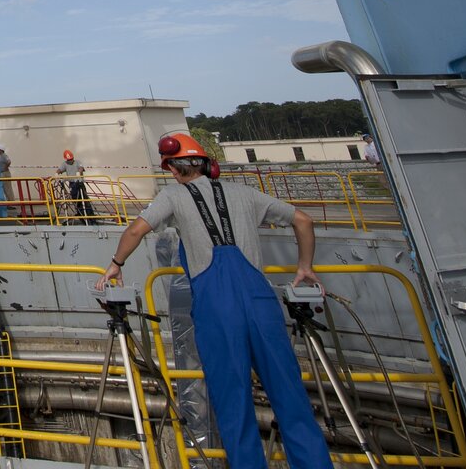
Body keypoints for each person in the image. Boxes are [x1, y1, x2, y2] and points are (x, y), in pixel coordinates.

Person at [96, 133, 329, 469]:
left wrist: (116, 264)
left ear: (174, 169)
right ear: (207, 165)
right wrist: (304, 267)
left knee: (234, 405)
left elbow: (135, 230)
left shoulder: (173, 195)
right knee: (292, 400)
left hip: (217, 309)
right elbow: (303, 220)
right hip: (262, 302)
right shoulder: (245, 193)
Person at [57, 149, 91, 223]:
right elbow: (59, 170)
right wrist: (57, 173)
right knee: (76, 201)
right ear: (66, 159)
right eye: (69, 160)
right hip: (72, 184)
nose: (70, 160)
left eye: (71, 159)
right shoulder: (64, 164)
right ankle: (82, 217)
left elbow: (81, 168)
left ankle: (91, 218)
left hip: (80, 184)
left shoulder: (77, 162)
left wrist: (79, 172)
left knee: (85, 200)